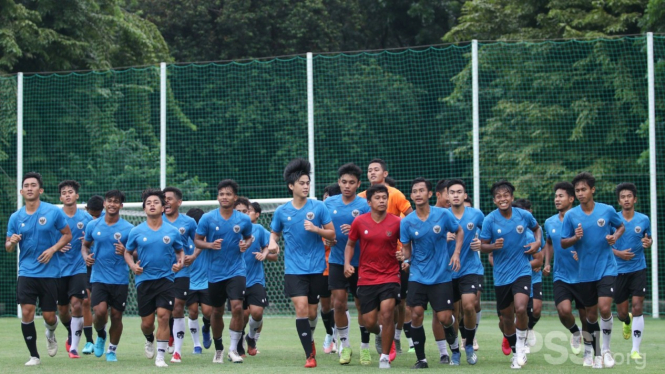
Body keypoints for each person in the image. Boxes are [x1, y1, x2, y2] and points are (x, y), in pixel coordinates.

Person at [268, 159, 335, 368]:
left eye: (308, 182)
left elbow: (332, 235)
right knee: (301, 308)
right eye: (302, 183)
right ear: (291, 186)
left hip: (317, 269)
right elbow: (274, 235)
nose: (306, 186)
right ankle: (310, 355)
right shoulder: (282, 212)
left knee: (313, 312)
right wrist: (272, 245)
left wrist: (317, 230)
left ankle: (311, 338)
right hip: (294, 269)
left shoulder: (319, 207)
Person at [6, 172, 72, 366]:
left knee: (50, 316)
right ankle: (34, 355)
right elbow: (8, 247)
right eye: (26, 185)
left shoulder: (53, 212)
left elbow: (67, 235)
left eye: (33, 185)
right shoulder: (15, 217)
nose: (29, 188)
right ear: (21, 191)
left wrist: (53, 249)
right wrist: (12, 241)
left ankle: (51, 331)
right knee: (27, 311)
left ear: (40, 190)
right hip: (26, 272)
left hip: (50, 272)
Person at [398, 178, 464, 369]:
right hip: (418, 275)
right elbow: (407, 250)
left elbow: (459, 231)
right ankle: (421, 359)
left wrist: (457, 253)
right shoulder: (407, 222)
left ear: (429, 194)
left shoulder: (443, 215)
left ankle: (455, 349)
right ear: (411, 196)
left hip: (441, 275)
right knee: (416, 314)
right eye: (414, 191)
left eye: (421, 190)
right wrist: (406, 260)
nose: (418, 194)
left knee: (444, 318)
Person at [561, 172, 625, 368]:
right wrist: (575, 238)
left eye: (583, 189)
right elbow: (564, 243)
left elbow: (621, 226)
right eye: (577, 190)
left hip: (607, 267)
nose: (580, 193)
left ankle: (605, 350)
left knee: (604, 308)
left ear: (592, 190)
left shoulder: (606, 210)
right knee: (590, 315)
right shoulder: (571, 215)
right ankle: (594, 352)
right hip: (585, 272)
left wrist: (615, 237)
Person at [479, 180, 541, 369]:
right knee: (506, 318)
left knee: (521, 309)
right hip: (501, 275)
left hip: (522, 270)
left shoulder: (523, 216)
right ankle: (515, 350)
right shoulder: (490, 219)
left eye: (506, 195)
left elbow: (537, 228)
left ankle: (521, 348)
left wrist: (537, 243)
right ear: (494, 200)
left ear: (512, 198)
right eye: (499, 196)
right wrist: (493, 246)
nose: (503, 199)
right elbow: (482, 246)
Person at [195, 180, 254, 364]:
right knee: (217, 311)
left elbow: (248, 237)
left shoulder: (243, 219)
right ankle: (219, 348)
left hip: (237, 270)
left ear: (235, 197)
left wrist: (246, 244)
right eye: (221, 194)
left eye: (228, 194)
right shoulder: (208, 218)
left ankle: (233, 349)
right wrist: (209, 245)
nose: (224, 197)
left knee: (237, 307)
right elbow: (197, 240)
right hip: (215, 272)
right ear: (218, 196)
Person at [124, 189, 185, 367]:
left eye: (156, 202)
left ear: (163, 207)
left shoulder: (172, 231)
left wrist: (179, 263)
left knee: (164, 316)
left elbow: (180, 251)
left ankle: (160, 356)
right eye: (148, 203)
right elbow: (127, 253)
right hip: (144, 280)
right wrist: (133, 266)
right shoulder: (136, 231)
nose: (152, 205)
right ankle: (149, 338)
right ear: (144, 209)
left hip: (166, 279)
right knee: (147, 323)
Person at [358, 159, 412, 355]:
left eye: (376, 170)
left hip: (395, 258)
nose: (372, 173)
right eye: (369, 170)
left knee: (399, 302)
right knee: (372, 311)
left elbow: (410, 218)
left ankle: (395, 337)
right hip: (368, 262)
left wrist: (405, 252)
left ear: (385, 173)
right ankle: (381, 332)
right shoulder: (361, 197)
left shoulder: (395, 194)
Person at [345, 184, 401, 369]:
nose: (382, 201)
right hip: (367, 277)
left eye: (384, 197)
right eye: (377, 198)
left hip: (390, 276)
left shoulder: (397, 222)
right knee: (369, 322)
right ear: (369, 202)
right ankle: (380, 333)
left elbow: (408, 243)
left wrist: (405, 256)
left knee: (387, 313)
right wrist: (347, 263)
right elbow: (350, 244)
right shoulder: (360, 222)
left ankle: (384, 356)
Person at [324, 163, 370, 364]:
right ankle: (345, 345)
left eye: (352, 182)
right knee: (339, 303)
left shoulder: (364, 206)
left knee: (362, 306)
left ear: (358, 184)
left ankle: (365, 347)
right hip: (336, 261)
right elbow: (322, 229)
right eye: (344, 182)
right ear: (339, 182)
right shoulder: (329, 204)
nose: (347, 186)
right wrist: (327, 239)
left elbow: (372, 232)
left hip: (361, 263)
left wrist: (355, 229)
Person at [81, 190, 134, 362]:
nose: (112, 204)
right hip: (98, 277)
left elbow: (137, 253)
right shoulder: (93, 225)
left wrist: (126, 251)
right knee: (100, 311)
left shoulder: (128, 229)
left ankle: (111, 350)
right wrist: (86, 256)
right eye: (109, 201)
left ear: (121, 206)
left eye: (116, 201)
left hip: (120, 279)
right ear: (104, 204)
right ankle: (101, 334)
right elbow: (85, 245)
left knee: (117, 316)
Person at [542, 182, 588, 356]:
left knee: (587, 317)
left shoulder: (582, 218)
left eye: (561, 196)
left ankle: (591, 350)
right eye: (556, 196)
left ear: (571, 198)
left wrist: (581, 253)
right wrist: (547, 262)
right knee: (564, 311)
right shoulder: (549, 222)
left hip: (584, 275)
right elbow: (549, 242)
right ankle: (575, 332)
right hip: (561, 275)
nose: (557, 199)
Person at [446, 179, 485, 364]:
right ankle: (455, 351)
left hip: (470, 268)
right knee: (452, 313)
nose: (455, 195)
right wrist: (442, 237)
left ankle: (468, 344)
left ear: (465, 195)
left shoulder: (476, 214)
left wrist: (482, 244)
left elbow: (488, 235)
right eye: (452, 192)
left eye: (459, 191)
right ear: (447, 195)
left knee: (469, 305)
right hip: (446, 271)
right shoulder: (441, 216)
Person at [234, 198, 278, 356]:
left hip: (255, 280)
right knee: (241, 314)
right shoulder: (229, 229)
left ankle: (251, 338)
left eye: (244, 211)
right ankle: (238, 343)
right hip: (235, 279)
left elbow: (274, 251)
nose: (241, 215)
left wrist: (265, 253)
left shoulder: (258, 229)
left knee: (257, 312)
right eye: (237, 211)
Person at [612, 182, 651, 359]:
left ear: (634, 199)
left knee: (637, 306)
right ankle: (626, 321)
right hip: (618, 270)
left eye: (629, 196)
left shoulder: (644, 219)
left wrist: (649, 243)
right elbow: (604, 245)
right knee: (621, 313)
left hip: (638, 269)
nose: (626, 199)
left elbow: (648, 240)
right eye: (623, 197)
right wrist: (619, 253)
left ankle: (635, 350)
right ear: (619, 201)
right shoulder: (614, 219)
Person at [57, 180, 94, 358]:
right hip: (58, 269)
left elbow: (94, 239)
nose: (67, 195)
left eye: (70, 192)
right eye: (64, 192)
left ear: (77, 195)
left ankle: (74, 348)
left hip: (79, 267)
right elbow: (45, 238)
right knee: (63, 310)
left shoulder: (86, 219)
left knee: (78, 304)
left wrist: (88, 243)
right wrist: (57, 245)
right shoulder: (55, 216)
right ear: (60, 197)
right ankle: (70, 331)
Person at [161, 186, 198, 363]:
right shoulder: (156, 221)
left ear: (179, 202)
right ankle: (166, 335)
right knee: (162, 311)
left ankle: (177, 351)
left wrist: (193, 255)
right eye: (164, 198)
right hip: (159, 273)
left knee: (177, 307)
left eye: (169, 198)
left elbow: (200, 240)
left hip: (182, 271)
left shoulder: (189, 222)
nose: (166, 201)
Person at [512, 198, 544, 351]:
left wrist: (541, 262)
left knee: (536, 309)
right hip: (517, 276)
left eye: (527, 211)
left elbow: (541, 250)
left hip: (534, 275)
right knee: (521, 309)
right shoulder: (510, 229)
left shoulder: (536, 230)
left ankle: (529, 328)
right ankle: (520, 339)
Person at [183, 208, 213, 354]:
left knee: (208, 311)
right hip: (189, 280)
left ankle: (206, 327)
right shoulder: (184, 238)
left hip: (206, 280)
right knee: (193, 312)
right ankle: (197, 345)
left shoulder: (207, 238)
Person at [81, 194, 104, 355]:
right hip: (87, 265)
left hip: (104, 268)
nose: (95, 217)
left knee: (101, 309)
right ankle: (89, 341)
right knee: (85, 301)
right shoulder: (82, 220)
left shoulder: (108, 220)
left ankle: (101, 335)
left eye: (97, 214)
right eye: (92, 214)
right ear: (86, 210)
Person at [319, 183, 340, 356]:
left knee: (338, 303)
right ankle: (329, 333)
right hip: (322, 267)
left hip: (340, 264)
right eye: (325, 197)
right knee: (326, 306)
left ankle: (340, 339)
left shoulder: (345, 216)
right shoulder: (319, 217)